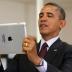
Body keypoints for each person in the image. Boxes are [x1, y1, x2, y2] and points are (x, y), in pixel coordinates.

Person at [6, 2, 72, 72]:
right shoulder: (26, 50)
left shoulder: (68, 51)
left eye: (49, 16)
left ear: (61, 24)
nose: (43, 19)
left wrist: (37, 60)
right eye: (41, 16)